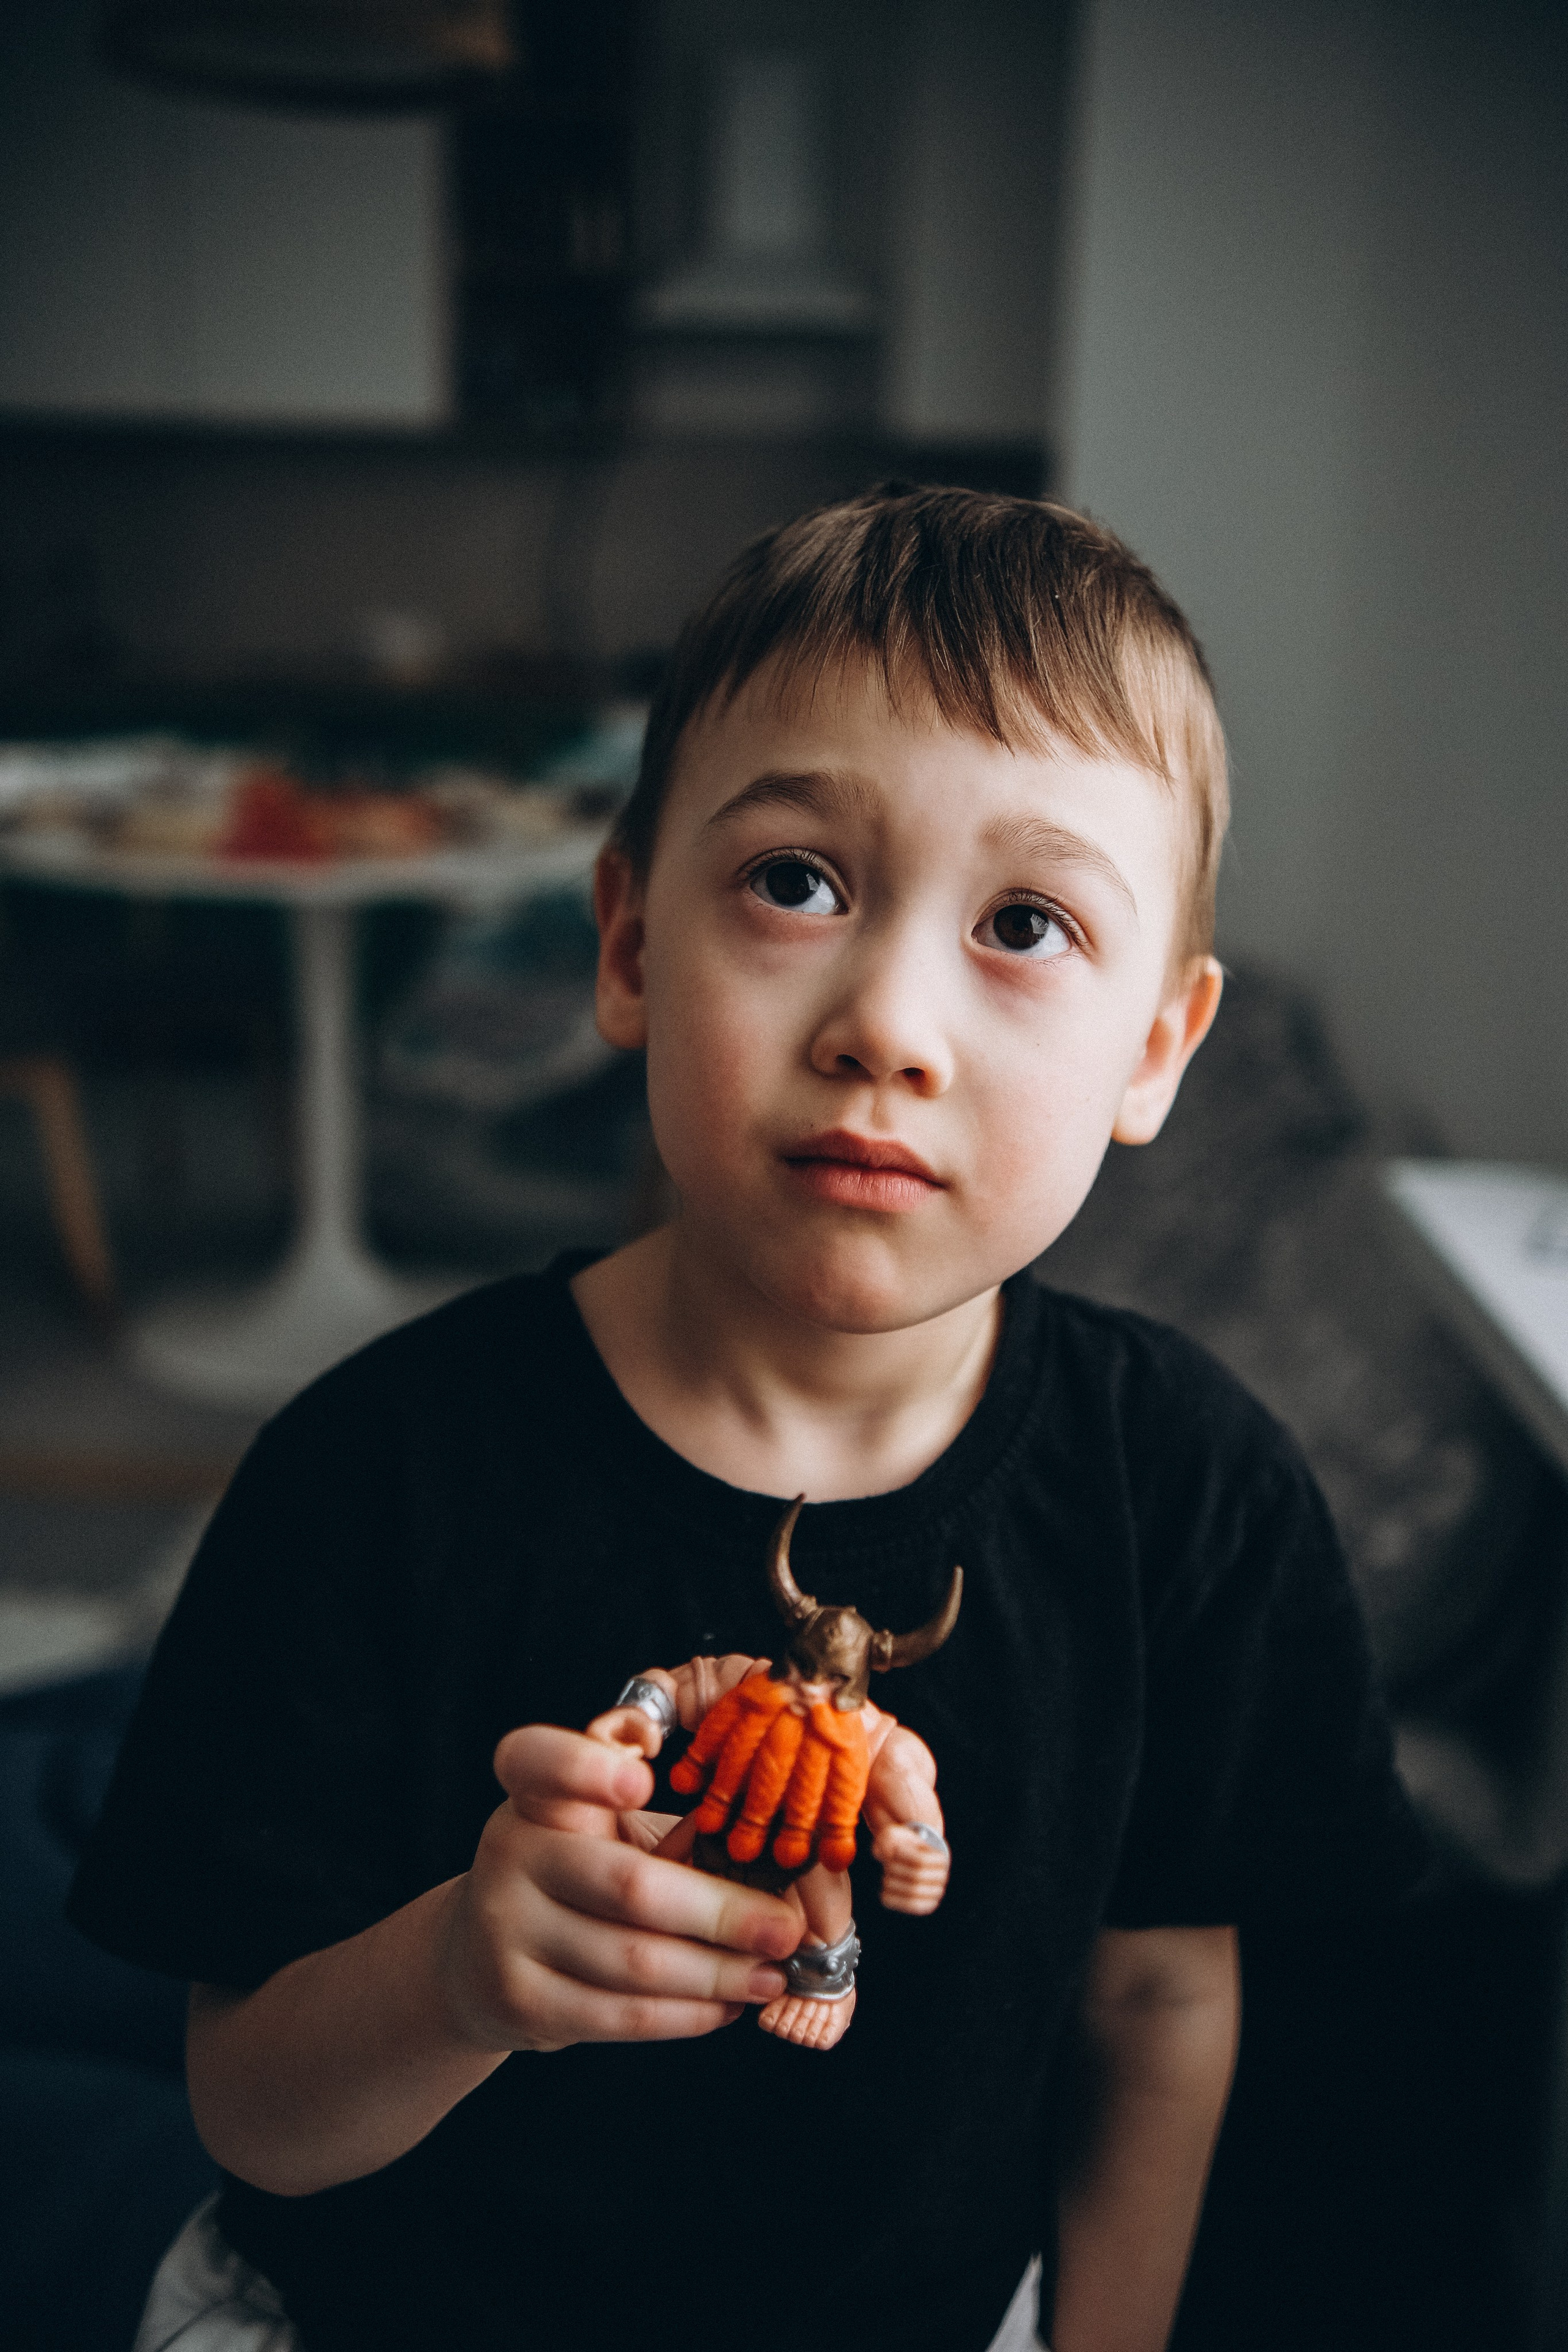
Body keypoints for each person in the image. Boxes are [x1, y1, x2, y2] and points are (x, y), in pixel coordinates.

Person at [70, 484, 1425, 2352]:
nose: (889, 1021)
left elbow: (1160, 2008)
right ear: (628, 945)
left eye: (1025, 922)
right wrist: (461, 1976)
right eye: (798, 882)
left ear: (1156, 1052)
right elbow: (249, 2108)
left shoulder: (1191, 1502)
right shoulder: (373, 1469)